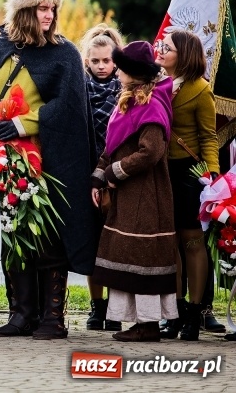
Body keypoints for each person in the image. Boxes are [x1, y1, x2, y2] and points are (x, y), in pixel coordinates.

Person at [0, 0, 97, 340]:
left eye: (53, 8)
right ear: (24, 11)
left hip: (50, 156)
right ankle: (20, 314)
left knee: (49, 235)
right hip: (1, 156)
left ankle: (53, 317)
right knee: (12, 229)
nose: (49, 15)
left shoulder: (65, 52)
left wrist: (20, 125)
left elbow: (67, 108)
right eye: (42, 8)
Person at [91, 41, 177, 342]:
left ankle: (149, 324)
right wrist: (99, 178)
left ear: (134, 72)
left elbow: (151, 151)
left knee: (142, 255)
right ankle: (138, 322)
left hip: (147, 194)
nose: (117, 72)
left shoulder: (152, 104)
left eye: (122, 67)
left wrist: (115, 172)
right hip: (128, 194)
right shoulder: (128, 101)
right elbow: (112, 146)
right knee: (127, 254)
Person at [154, 29, 218, 341]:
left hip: (189, 172)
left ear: (184, 55)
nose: (161, 50)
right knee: (170, 243)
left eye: (167, 47)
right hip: (159, 170)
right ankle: (174, 313)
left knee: (192, 241)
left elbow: (209, 135)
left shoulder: (201, 89)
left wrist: (212, 176)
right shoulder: (155, 84)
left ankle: (195, 313)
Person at [79, 24, 123, 332]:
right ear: (87, 61)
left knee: (117, 245)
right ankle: (97, 307)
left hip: (119, 176)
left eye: (106, 61)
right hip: (86, 175)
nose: (101, 67)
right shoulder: (79, 88)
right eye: (95, 61)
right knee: (93, 244)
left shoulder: (127, 90)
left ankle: (117, 309)